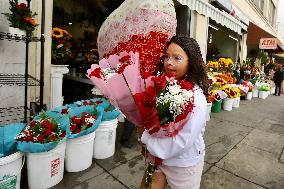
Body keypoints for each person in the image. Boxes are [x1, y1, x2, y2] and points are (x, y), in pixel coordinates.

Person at [139, 36, 208, 189]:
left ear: (191, 62)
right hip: (157, 159)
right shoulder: (161, 85)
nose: (169, 62)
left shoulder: (197, 98)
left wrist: (147, 140)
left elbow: (182, 142)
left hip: (183, 165)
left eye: (177, 58)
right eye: (167, 56)